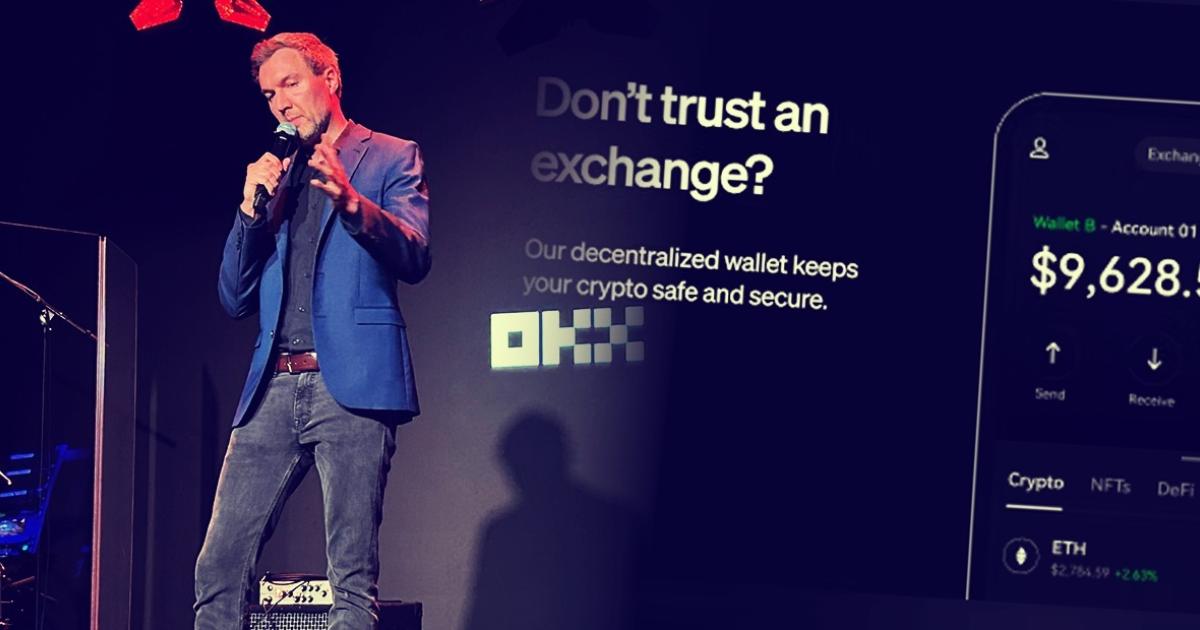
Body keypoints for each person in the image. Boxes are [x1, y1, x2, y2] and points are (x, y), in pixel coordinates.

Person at [194, 32, 430, 629]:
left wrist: (351, 203)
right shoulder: (277, 176)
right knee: (218, 569)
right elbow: (233, 298)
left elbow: (415, 253)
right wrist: (249, 212)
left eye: (290, 83)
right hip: (272, 388)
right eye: (269, 94)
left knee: (350, 580)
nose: (280, 102)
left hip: (351, 387)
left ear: (331, 78)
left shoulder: (390, 155)